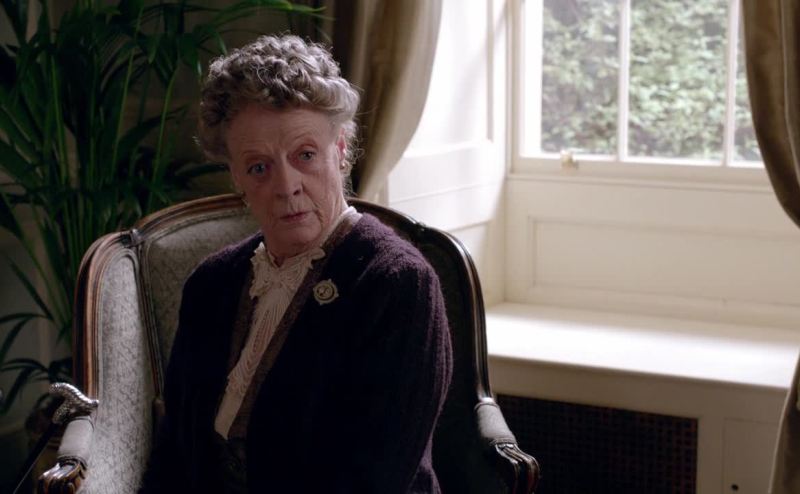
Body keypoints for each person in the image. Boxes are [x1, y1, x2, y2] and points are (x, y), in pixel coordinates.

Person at [139, 34, 453, 493]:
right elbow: (174, 457)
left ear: (340, 149)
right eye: (259, 167)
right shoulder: (211, 284)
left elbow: (373, 481)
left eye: (305, 156)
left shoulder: (398, 284)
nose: (286, 186)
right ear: (236, 176)